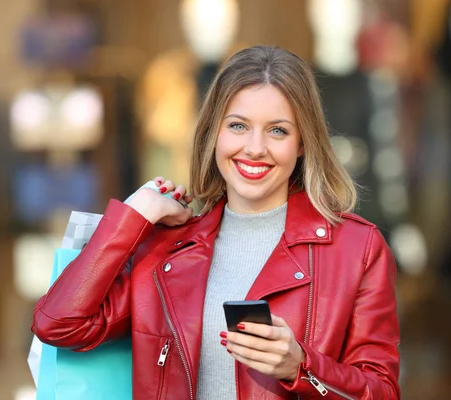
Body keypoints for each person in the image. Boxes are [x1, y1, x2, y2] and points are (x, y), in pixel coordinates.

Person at [32, 45, 400, 400]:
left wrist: (301, 367)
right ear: (213, 133)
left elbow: (382, 391)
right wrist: (133, 217)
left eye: (277, 131)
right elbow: (59, 323)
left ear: (302, 142)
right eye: (238, 126)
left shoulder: (356, 249)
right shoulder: (166, 249)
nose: (255, 148)